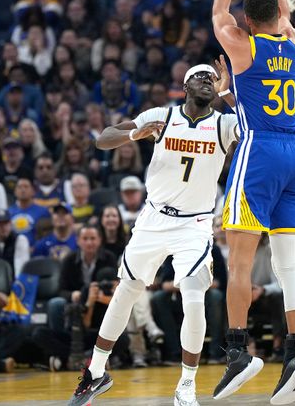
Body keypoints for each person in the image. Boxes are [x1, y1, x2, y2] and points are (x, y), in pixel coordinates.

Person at [67, 60, 239, 406]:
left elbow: (261, 127)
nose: (207, 81)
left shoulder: (224, 123)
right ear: (185, 87)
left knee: (193, 296)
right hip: (154, 218)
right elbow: (103, 139)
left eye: (212, 78)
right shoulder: (162, 116)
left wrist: (228, 94)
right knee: (126, 291)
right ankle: (96, 373)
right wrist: (135, 133)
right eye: (200, 78)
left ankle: (186, 385)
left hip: (195, 224)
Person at [210, 0, 295, 405]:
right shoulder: (291, 41)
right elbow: (284, 12)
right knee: (289, 263)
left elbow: (218, 16)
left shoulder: (242, 46)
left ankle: (237, 352)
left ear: (248, 22)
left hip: (260, 154)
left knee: (242, 262)